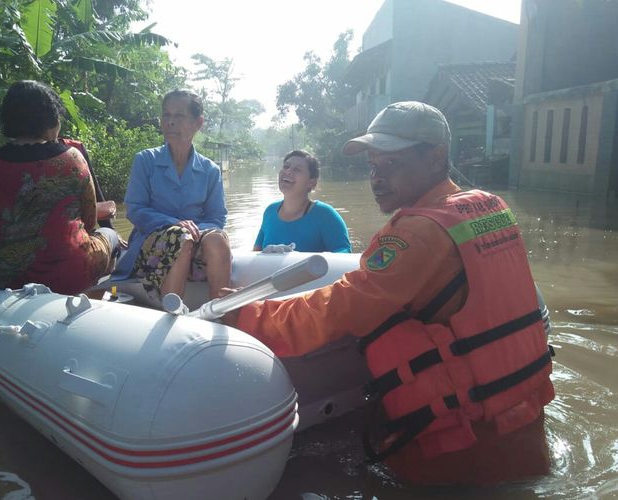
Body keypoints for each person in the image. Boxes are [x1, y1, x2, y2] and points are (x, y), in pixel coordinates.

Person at [225, 102, 554, 485]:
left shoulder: (417, 234)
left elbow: (341, 308)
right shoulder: (491, 208)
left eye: (392, 164)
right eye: (373, 166)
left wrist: (247, 317)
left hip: (463, 452)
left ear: (436, 157)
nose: (377, 179)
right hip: (522, 427)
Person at [0, 80, 121, 296]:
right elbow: (90, 221)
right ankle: (103, 296)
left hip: (4, 274)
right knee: (109, 234)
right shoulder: (72, 157)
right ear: (51, 120)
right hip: (68, 275)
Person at [114, 89, 231, 303]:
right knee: (180, 238)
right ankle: (172, 314)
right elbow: (135, 210)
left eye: (179, 116)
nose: (170, 122)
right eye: (166, 115)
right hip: (151, 249)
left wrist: (194, 231)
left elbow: (217, 219)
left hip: (195, 243)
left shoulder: (210, 170)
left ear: (198, 122)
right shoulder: (145, 161)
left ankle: (222, 312)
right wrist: (176, 225)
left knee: (216, 239)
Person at [253, 150, 351, 253]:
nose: (288, 171)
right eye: (286, 166)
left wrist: (301, 260)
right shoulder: (270, 211)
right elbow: (254, 253)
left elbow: (344, 252)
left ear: (311, 182)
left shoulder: (325, 215)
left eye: (297, 169)